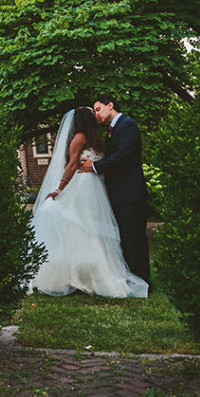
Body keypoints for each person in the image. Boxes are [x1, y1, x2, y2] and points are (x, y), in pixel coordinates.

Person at [28, 107, 148, 298]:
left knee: (88, 228)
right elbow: (76, 164)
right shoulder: (88, 139)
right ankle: (86, 275)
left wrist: (62, 187)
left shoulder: (87, 138)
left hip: (90, 185)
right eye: (94, 114)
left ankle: (86, 275)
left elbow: (79, 164)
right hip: (88, 186)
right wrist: (62, 187)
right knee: (87, 227)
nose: (97, 116)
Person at [79, 95, 151, 284]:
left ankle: (142, 282)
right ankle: (129, 278)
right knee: (124, 238)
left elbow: (124, 154)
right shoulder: (112, 131)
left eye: (98, 109)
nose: (96, 114)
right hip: (118, 192)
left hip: (130, 193)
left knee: (134, 238)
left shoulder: (128, 126)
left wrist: (95, 166)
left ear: (110, 105)